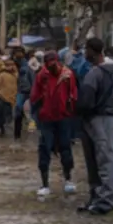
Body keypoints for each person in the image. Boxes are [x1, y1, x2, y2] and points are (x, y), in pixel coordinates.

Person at [75, 37, 113, 214]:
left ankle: (105, 201)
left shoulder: (95, 73)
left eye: (86, 50)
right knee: (98, 159)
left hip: (98, 118)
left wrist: (76, 109)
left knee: (104, 159)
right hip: (109, 117)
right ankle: (97, 197)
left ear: (92, 51)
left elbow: (85, 100)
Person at [32, 51, 78, 198]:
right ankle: (45, 184)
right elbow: (35, 96)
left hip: (63, 117)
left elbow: (74, 94)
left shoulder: (67, 75)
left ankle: (68, 179)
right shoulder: (42, 76)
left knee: (65, 148)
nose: (52, 66)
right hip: (46, 119)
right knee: (45, 149)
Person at [0, 55, 18, 137]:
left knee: (6, 115)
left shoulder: (15, 74)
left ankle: (3, 129)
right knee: (2, 115)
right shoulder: (3, 74)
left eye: (12, 65)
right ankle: (0, 129)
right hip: (3, 97)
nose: (11, 67)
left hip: (12, 98)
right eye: (9, 65)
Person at [13, 47, 34, 139]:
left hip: (26, 90)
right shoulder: (11, 63)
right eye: (17, 52)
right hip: (17, 90)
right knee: (18, 110)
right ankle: (17, 134)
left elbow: (32, 77)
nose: (18, 54)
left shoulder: (27, 64)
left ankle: (25, 131)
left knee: (26, 111)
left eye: (20, 52)